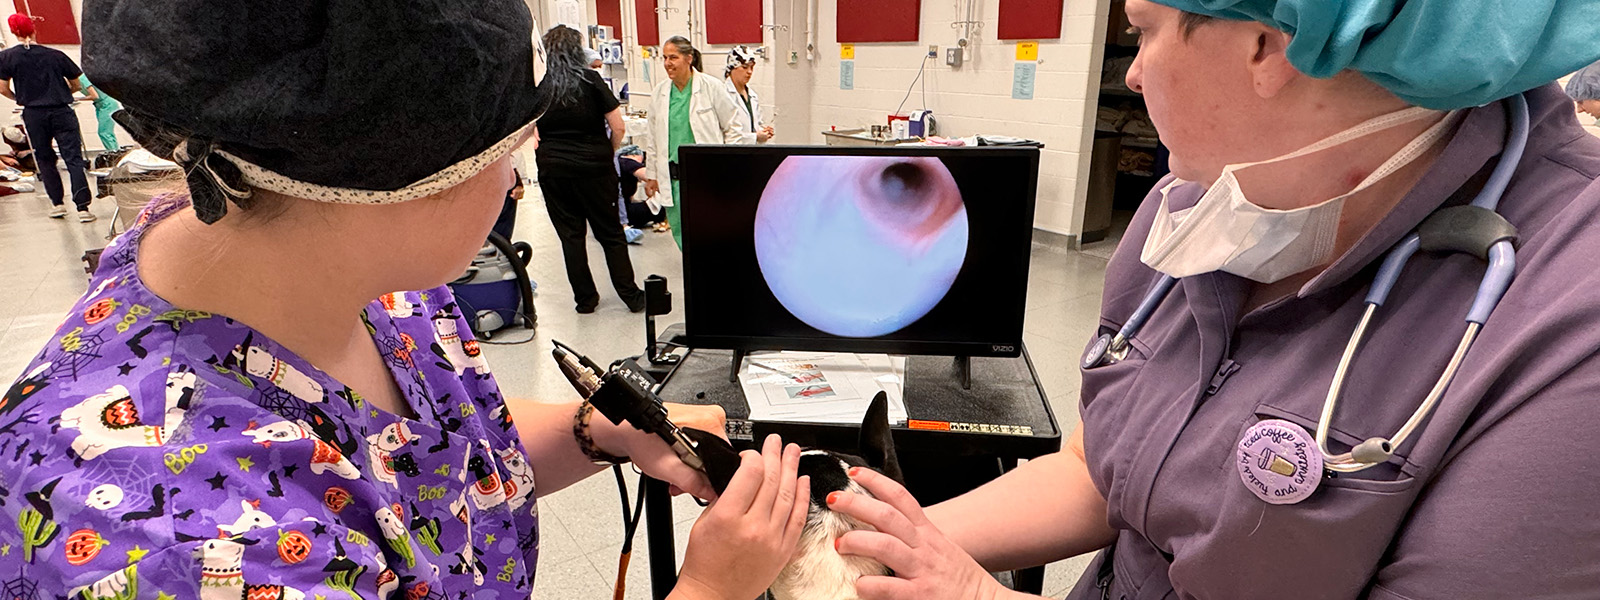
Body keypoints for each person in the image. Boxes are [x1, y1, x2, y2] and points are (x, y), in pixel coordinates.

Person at [0, 0, 812, 597]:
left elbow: (432, 461)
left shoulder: (357, 278)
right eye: (506, 145)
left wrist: (594, 435)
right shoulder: (165, 539)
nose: (518, 170)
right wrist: (713, 588)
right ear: (391, 178)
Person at [819, 1, 1600, 599]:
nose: (1132, 72)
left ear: (1269, 41)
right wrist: (880, 544)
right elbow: (1099, 469)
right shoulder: (1198, 213)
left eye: (1145, 30)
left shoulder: (1568, 319)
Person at [535, 25, 648, 313]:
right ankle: (631, 296)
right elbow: (618, 126)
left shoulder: (538, 85)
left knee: (571, 237)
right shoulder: (591, 79)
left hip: (553, 170)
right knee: (610, 233)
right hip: (594, 169)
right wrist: (608, 150)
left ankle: (585, 300)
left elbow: (527, 130)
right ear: (577, 51)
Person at [644, 35, 748, 249]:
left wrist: (731, 165)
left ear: (688, 58)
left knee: (710, 230)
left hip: (706, 175)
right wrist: (651, 175)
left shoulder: (711, 87)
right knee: (681, 233)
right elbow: (653, 137)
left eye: (673, 57)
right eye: (664, 58)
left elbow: (732, 126)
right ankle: (695, 278)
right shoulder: (660, 93)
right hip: (674, 178)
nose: (667, 63)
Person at [0, 13, 93, 222]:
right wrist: (63, 92)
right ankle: (83, 208)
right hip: (61, 111)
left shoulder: (6, 58)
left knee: (44, 158)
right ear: (33, 30)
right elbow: (77, 84)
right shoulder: (56, 55)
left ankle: (58, 204)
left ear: (13, 32)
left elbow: (2, 88)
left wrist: (20, 98)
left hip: (34, 114)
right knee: (73, 158)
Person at [725, 45, 774, 144]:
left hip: (753, 152)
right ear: (732, 68)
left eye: (752, 67)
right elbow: (726, 133)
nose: (749, 72)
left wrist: (764, 131)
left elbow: (756, 124)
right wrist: (755, 137)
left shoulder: (752, 95)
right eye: (745, 67)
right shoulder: (723, 94)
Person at [76, 73, 121, 151]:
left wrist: (78, 99)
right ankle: (115, 151)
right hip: (101, 105)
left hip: (108, 104)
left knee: (104, 133)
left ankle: (114, 154)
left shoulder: (83, 79)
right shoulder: (78, 81)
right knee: (107, 133)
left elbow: (95, 96)